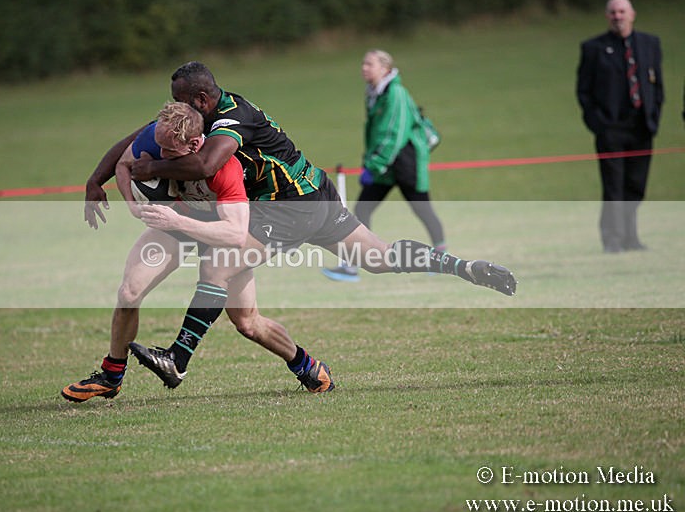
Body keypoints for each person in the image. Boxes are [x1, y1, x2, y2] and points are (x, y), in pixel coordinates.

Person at [84, 61, 516, 394]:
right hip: (316, 190)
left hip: (289, 207)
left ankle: (177, 359)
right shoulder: (194, 120)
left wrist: (148, 169)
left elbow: (206, 163)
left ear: (200, 98)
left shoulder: (232, 118)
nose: (173, 103)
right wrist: (97, 178)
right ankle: (465, 268)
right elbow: (135, 138)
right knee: (379, 259)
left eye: (178, 97)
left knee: (218, 267)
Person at [64, 102, 333, 400]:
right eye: (159, 146)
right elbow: (124, 165)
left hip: (216, 231)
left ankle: (307, 367)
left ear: (194, 144)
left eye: (169, 151)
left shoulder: (224, 168)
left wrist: (177, 219)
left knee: (246, 322)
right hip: (174, 224)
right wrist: (134, 206)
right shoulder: (157, 137)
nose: (160, 156)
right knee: (129, 293)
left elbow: (233, 232)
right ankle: (111, 375)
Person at [323, 49, 445, 283]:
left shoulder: (395, 93)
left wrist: (373, 165)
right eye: (363, 63)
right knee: (362, 210)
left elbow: (393, 134)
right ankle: (352, 265)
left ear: (385, 69)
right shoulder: (374, 93)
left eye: (370, 64)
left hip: (405, 161)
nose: (364, 68)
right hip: (384, 165)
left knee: (422, 208)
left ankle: (440, 256)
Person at [576, 0, 664, 253]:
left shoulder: (650, 44)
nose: (618, 16)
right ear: (607, 16)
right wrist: (599, 124)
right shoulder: (594, 48)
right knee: (614, 186)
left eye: (622, 11)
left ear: (632, 14)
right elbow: (584, 91)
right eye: (613, 12)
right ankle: (612, 239)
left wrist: (654, 116)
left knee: (635, 186)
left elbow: (657, 85)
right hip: (610, 128)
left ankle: (631, 237)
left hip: (642, 127)